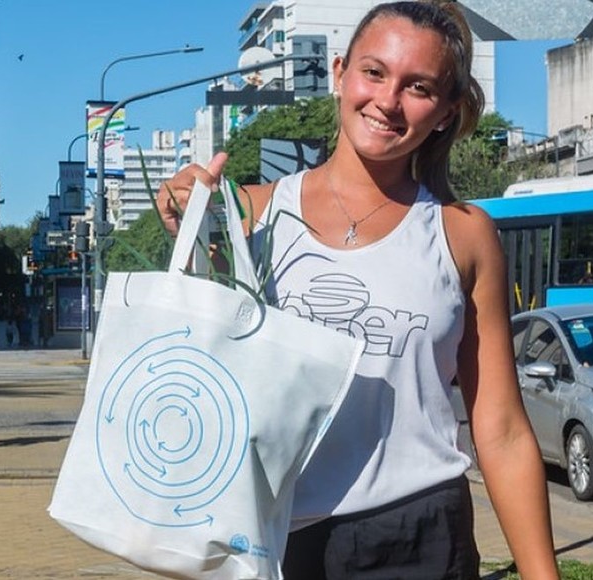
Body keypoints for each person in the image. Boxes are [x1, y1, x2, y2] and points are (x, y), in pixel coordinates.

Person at [156, 2, 559, 578]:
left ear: (445, 111)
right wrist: (190, 216)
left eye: (417, 86)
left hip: (419, 535)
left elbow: (501, 427)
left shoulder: (463, 234)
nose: (388, 102)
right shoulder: (249, 214)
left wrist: (542, 574)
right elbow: (201, 367)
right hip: (269, 533)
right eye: (374, 73)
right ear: (341, 73)